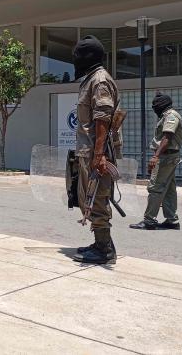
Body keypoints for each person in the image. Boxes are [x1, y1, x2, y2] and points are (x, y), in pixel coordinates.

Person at [71, 36, 119, 265]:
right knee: (87, 199)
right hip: (88, 150)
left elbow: (103, 118)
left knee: (97, 199)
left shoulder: (99, 80)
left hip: (95, 152)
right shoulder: (90, 79)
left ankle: (104, 249)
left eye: (78, 56)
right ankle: (100, 242)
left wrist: (99, 155)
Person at [130, 93, 182, 230]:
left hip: (167, 156)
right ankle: (172, 220)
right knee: (169, 189)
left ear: (162, 105)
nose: (154, 108)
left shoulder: (171, 115)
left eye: (156, 106)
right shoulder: (165, 115)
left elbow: (167, 137)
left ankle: (149, 221)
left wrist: (156, 157)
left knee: (155, 188)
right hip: (169, 156)